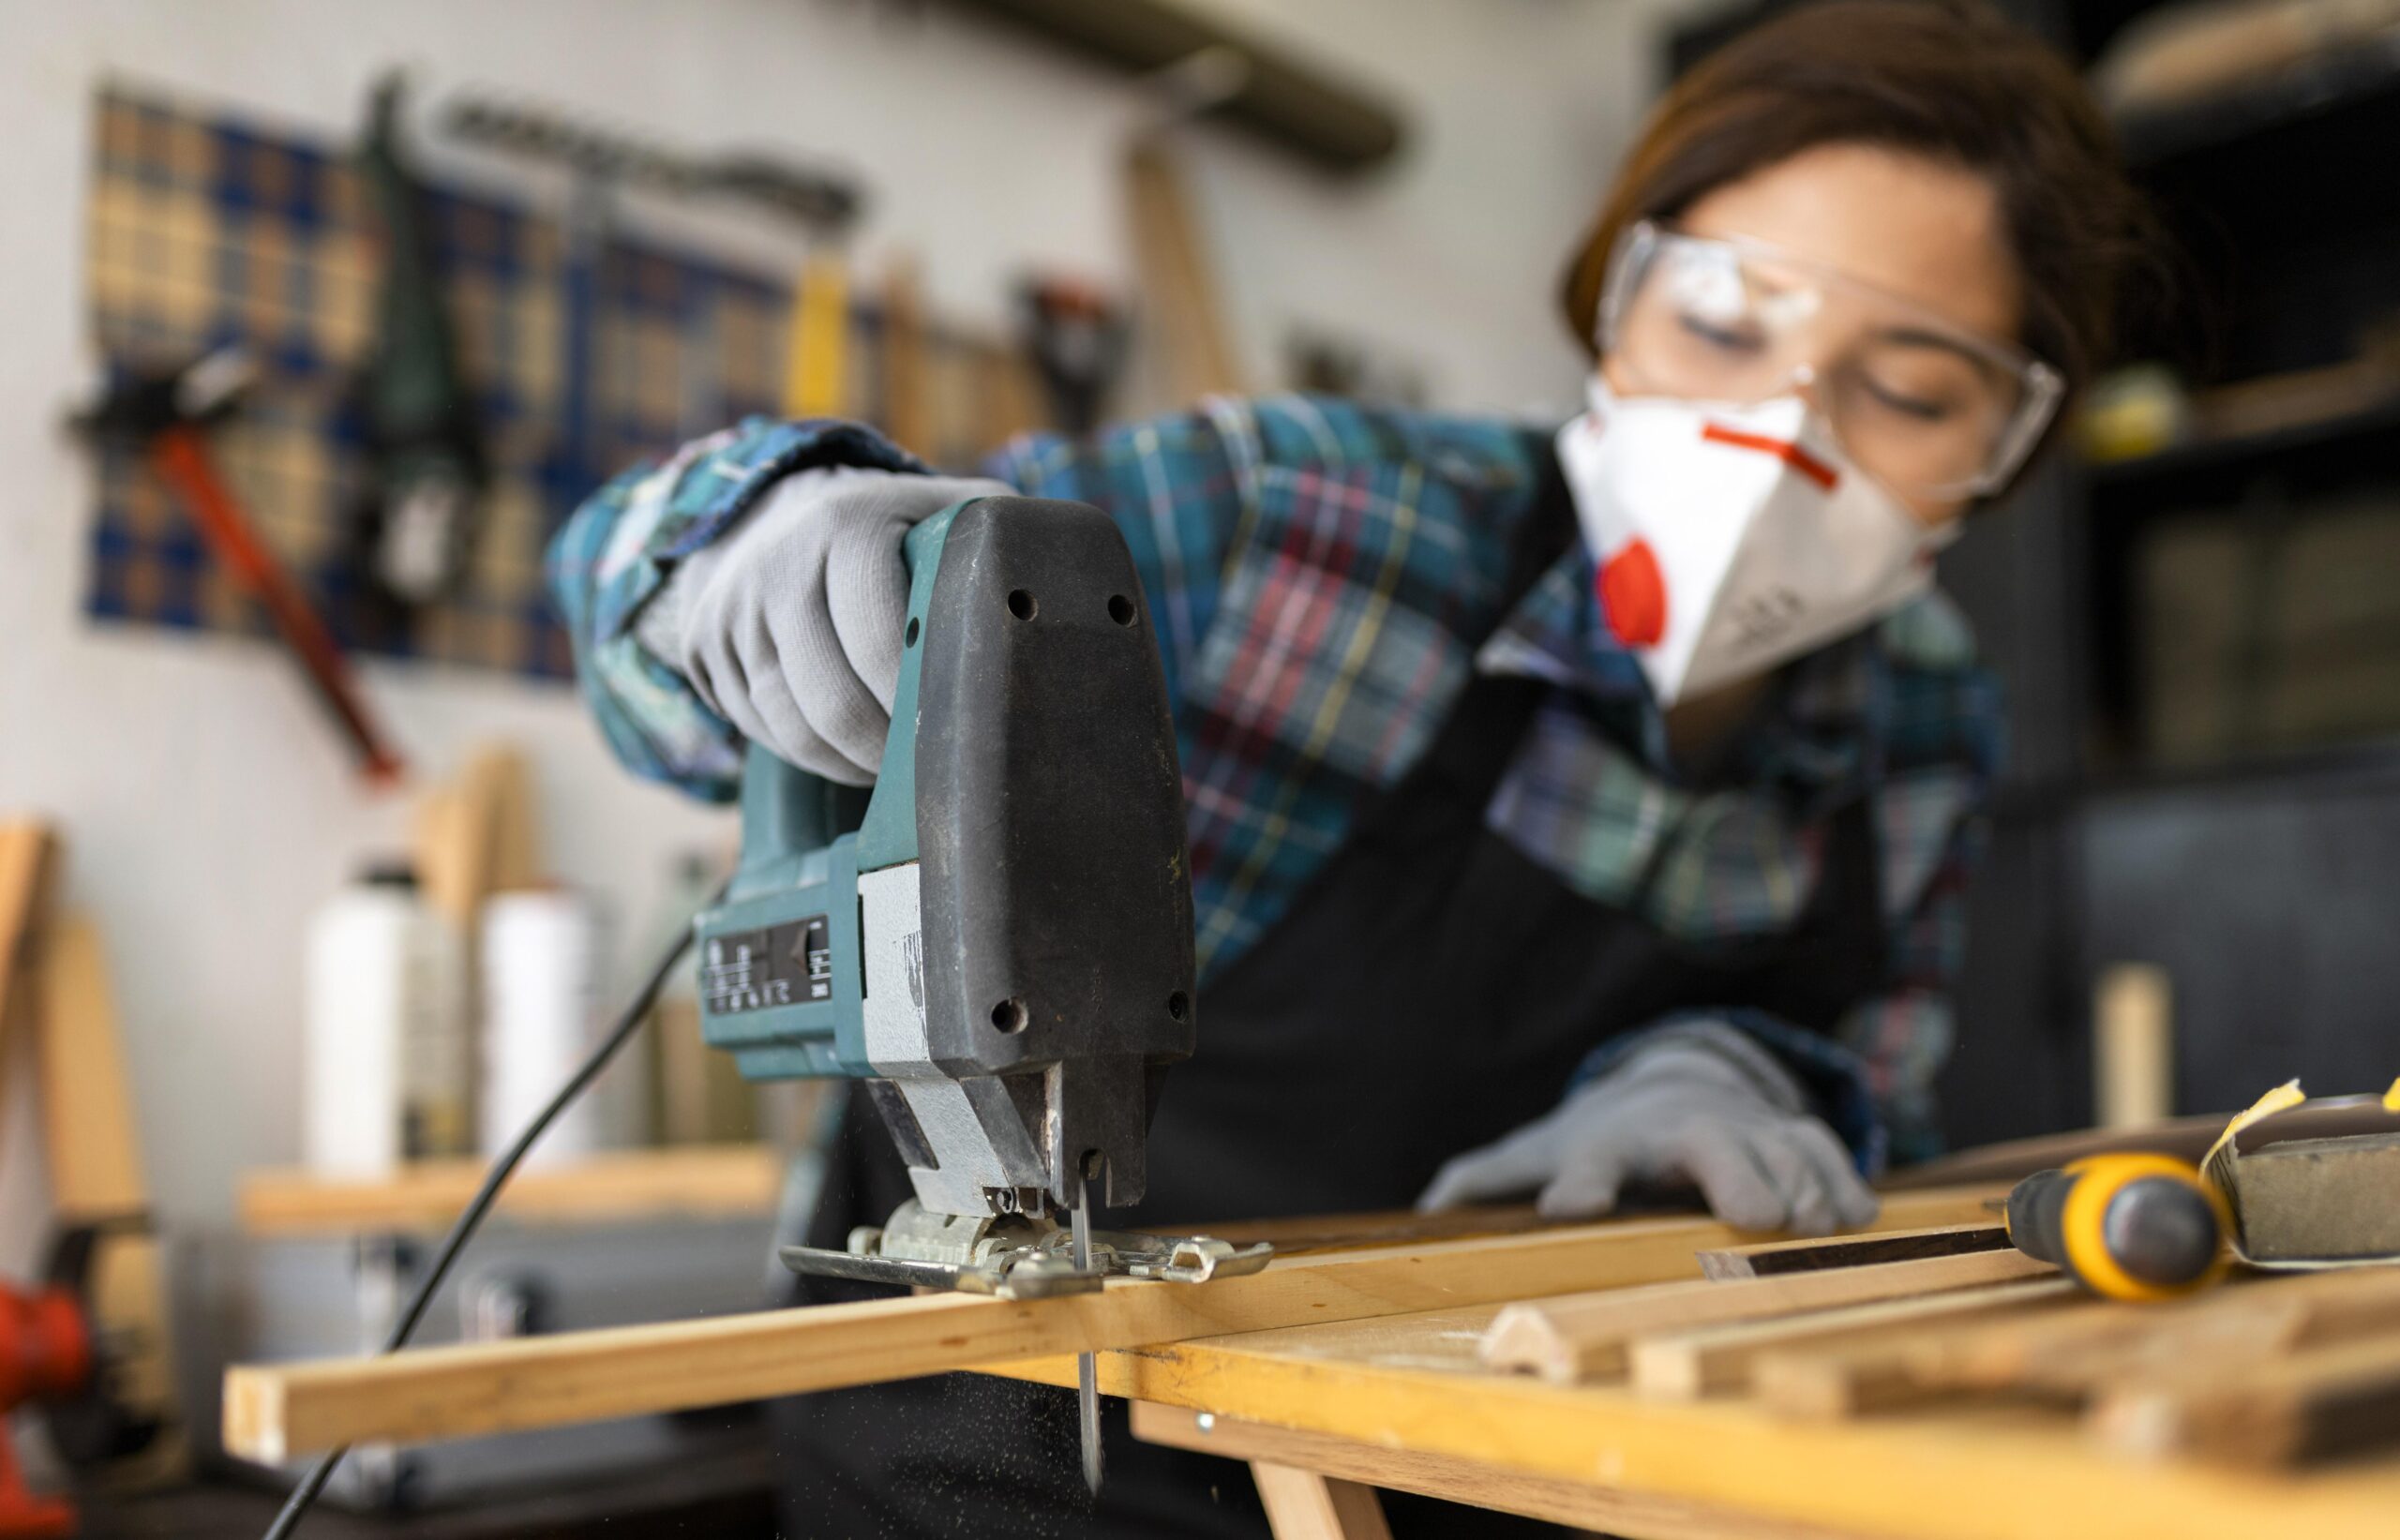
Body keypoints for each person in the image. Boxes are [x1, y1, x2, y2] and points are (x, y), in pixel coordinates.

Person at [548, 2, 2144, 1533]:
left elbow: (1881, 1091)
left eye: (1914, 392)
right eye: (1723, 324)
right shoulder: (1294, 526)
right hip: (999, 1443)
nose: (1781, 432)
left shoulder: (1924, 710)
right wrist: (738, 547)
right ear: (1611, 298)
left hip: (1496, 1451)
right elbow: (629, 614)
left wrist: (1756, 1077)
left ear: (2006, 453)